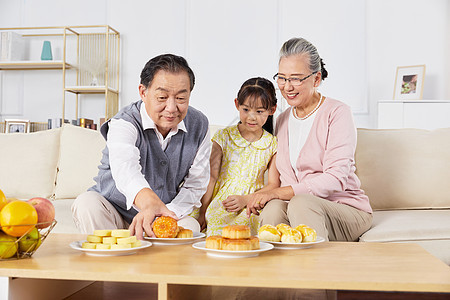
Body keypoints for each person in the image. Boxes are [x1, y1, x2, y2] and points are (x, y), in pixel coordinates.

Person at [71, 54, 211, 240]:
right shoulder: (124, 123)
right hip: (114, 210)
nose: (171, 107)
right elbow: (125, 169)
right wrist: (149, 204)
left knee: (190, 226)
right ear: (143, 92)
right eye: (162, 97)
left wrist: (166, 214)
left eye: (181, 98)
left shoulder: (199, 124)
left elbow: (195, 185)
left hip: (162, 214)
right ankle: (111, 267)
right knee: (86, 203)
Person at [246, 38, 373, 241]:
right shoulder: (282, 119)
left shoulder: (337, 113)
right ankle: (273, 271)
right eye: (282, 78)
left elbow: (336, 178)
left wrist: (279, 193)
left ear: (316, 79)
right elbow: (278, 178)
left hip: (344, 208)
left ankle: (314, 270)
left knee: (300, 202)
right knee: (273, 209)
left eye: (296, 79)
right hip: (298, 206)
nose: (287, 87)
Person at [195, 77, 279, 236]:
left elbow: (274, 184)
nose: (252, 117)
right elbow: (211, 177)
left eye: (259, 111)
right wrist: (202, 211)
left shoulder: (272, 143)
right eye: (246, 109)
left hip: (252, 204)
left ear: (272, 110)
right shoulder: (224, 136)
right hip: (221, 200)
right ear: (237, 104)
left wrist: (246, 199)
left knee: (245, 228)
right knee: (213, 220)